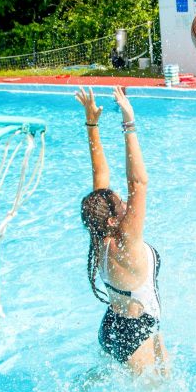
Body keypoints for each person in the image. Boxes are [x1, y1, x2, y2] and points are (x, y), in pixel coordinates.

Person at [76, 86, 167, 375]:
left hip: (114, 327)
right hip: (135, 334)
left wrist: (92, 124)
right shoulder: (126, 242)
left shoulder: (100, 235)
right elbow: (138, 183)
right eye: (120, 203)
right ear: (114, 221)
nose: (125, 200)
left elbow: (99, 176)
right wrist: (129, 123)